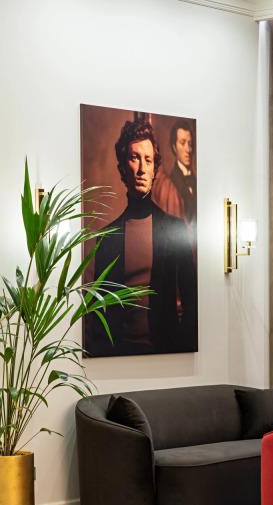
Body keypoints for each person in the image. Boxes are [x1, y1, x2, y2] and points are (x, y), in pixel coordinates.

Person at [84, 116, 197, 357]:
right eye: (135, 158)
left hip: (169, 354)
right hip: (117, 357)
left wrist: (183, 350)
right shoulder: (107, 238)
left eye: (148, 160)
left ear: (155, 168)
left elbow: (192, 305)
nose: (142, 169)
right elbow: (99, 314)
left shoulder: (175, 229)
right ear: (123, 167)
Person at [152, 119, 196, 228]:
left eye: (190, 144)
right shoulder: (170, 185)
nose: (188, 149)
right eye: (182, 143)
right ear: (174, 147)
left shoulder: (196, 180)